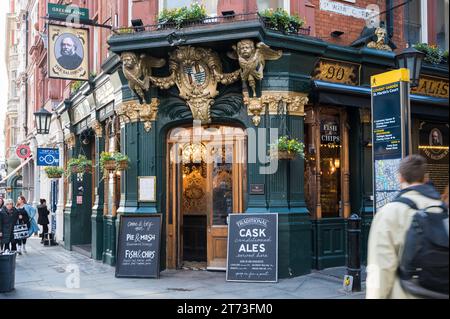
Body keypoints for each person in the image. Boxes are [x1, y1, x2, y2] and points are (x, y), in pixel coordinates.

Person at [367, 155, 446, 299]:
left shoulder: (389, 213)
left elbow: (380, 271)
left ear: (400, 178)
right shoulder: (442, 209)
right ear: (425, 177)